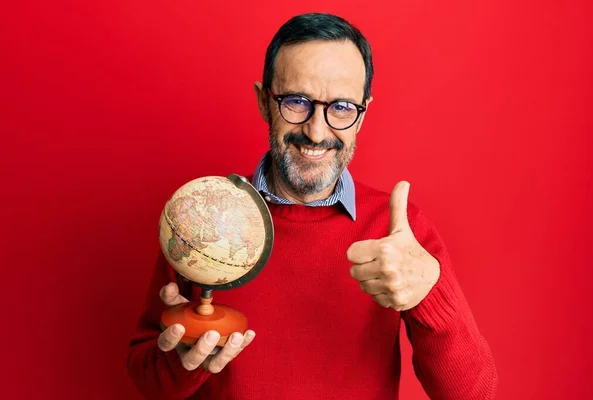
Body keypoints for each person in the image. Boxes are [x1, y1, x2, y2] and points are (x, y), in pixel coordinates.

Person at [127, 12, 497, 400]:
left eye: (341, 107)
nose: (316, 132)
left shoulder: (399, 231)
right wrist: (184, 361)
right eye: (297, 102)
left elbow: (475, 394)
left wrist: (430, 293)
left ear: (362, 115)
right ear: (264, 102)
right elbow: (147, 377)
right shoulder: (204, 217)